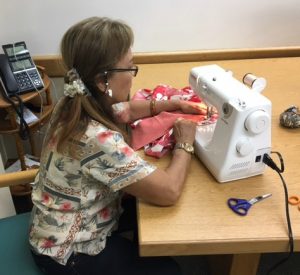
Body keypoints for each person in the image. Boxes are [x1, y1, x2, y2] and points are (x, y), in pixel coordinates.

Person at [29, 16, 204, 275]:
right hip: (66, 254)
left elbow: (124, 111)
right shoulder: (96, 138)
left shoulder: (74, 101)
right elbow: (169, 192)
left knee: (154, 215)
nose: (133, 76)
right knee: (168, 268)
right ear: (103, 81)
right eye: (130, 68)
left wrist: (172, 104)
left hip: (53, 225)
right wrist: (185, 144)